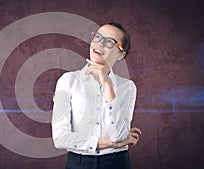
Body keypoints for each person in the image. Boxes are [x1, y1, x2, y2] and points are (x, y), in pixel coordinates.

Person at [51, 22, 142, 169]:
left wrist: (107, 84)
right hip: (78, 163)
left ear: (120, 54)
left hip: (117, 162)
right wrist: (112, 143)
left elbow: (118, 135)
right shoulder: (68, 81)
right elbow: (60, 138)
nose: (99, 44)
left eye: (109, 42)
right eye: (98, 37)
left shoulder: (128, 87)